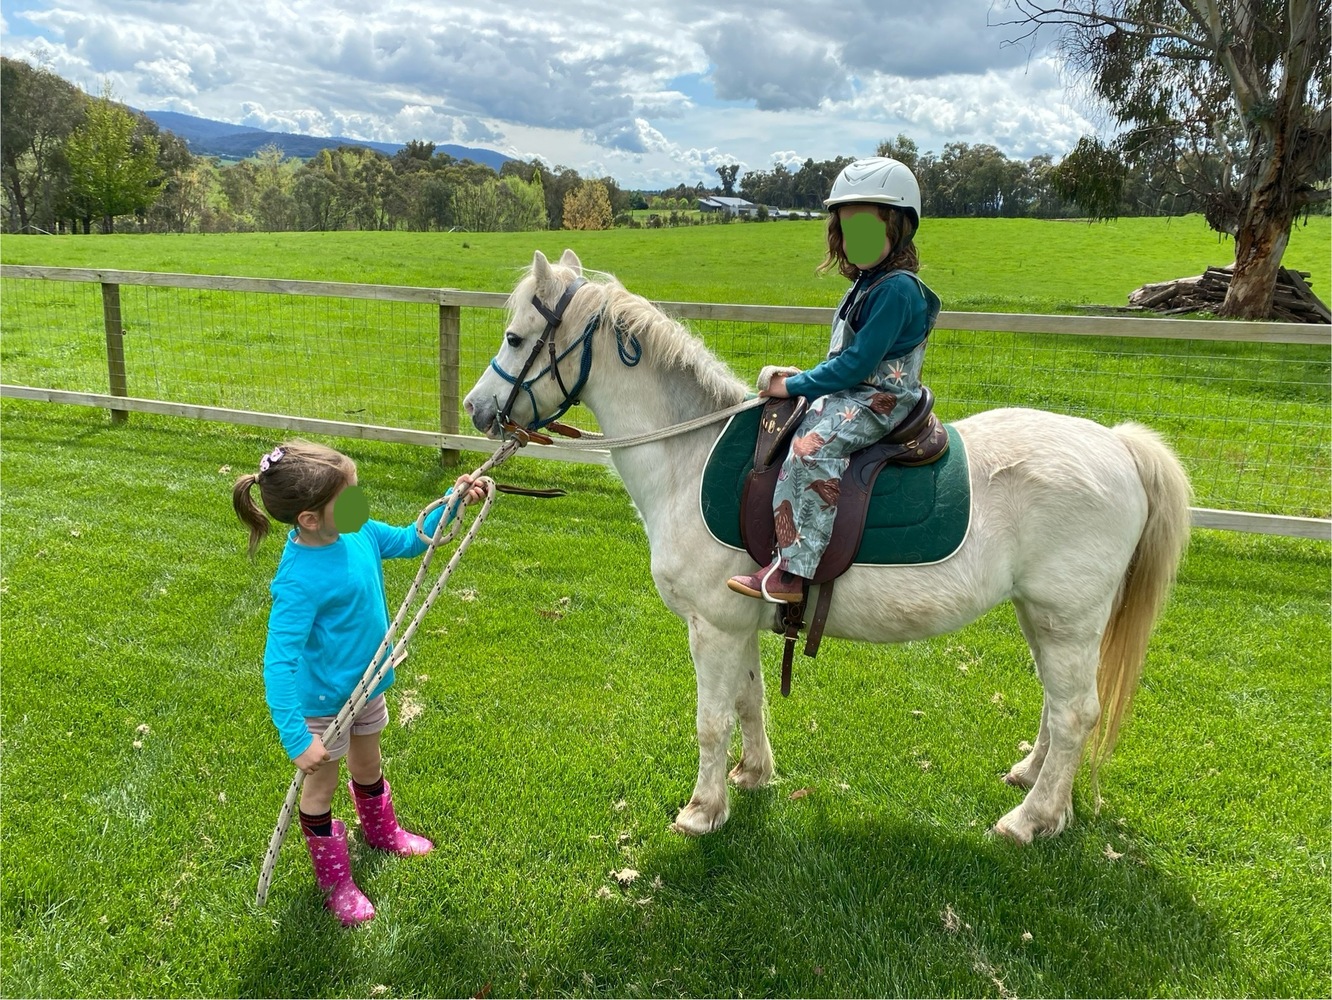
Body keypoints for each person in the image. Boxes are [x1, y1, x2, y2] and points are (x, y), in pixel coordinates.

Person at [233, 440, 483, 926]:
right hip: (324, 705)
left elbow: (411, 540)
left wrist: (451, 504)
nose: (360, 503)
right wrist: (296, 737)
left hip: (367, 686)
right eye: (348, 497)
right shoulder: (299, 581)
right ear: (308, 519)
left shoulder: (358, 531)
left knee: (369, 761)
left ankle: (381, 832)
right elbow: (278, 664)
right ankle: (335, 881)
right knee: (320, 788)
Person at [727, 157, 942, 603]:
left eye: (868, 228)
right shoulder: (866, 284)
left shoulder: (897, 290)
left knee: (810, 451)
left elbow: (858, 366)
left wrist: (796, 384)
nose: (854, 240)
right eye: (848, 228)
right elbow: (843, 359)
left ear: (899, 227)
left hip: (879, 399)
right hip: (855, 390)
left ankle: (793, 572)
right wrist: (804, 381)